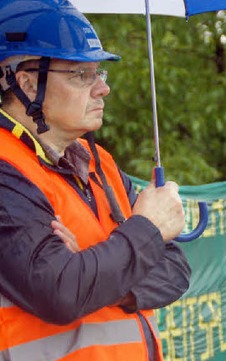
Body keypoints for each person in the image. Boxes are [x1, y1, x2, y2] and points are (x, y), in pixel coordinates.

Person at [0, 1, 191, 360]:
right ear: (27, 83)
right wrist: (147, 229)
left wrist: (99, 274)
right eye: (80, 75)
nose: (102, 89)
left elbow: (176, 270)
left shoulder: (99, 163)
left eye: (98, 74)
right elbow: (60, 290)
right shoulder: (6, 170)